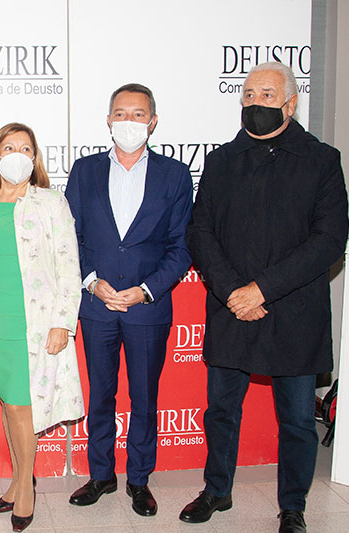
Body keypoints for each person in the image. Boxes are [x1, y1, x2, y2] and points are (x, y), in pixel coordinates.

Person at [181, 62, 348, 533]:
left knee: (296, 420)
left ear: (290, 105)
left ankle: (293, 506)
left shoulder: (322, 160)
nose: (256, 103)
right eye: (249, 95)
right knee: (221, 411)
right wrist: (234, 291)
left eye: (267, 95)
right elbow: (200, 232)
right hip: (231, 308)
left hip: (293, 311)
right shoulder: (221, 161)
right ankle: (217, 490)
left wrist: (261, 290)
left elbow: (329, 240)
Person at [65, 83, 193, 517]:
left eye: (138, 114)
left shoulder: (175, 176)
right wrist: (91, 282)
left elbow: (181, 246)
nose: (129, 121)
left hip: (147, 308)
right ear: (108, 120)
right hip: (97, 306)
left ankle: (139, 479)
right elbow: (70, 237)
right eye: (120, 113)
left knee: (144, 397)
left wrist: (145, 290)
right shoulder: (84, 171)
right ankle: (101, 475)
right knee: (100, 396)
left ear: (152, 122)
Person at [0, 123, 84, 532]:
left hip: (35, 322)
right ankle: (17, 481)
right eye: (8, 147)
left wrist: (63, 322)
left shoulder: (51, 203)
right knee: (10, 405)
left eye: (25, 148)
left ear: (35, 157)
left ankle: (25, 489)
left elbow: (69, 266)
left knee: (22, 405)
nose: (17, 155)